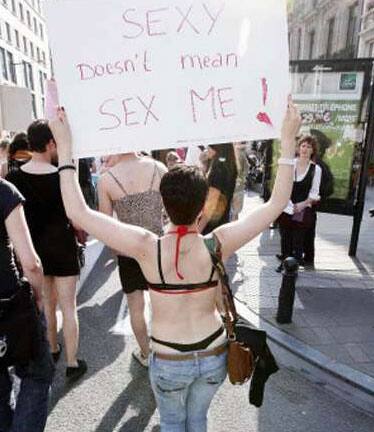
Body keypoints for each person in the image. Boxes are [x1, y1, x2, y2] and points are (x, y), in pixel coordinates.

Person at [49, 96, 301, 431]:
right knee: (198, 420)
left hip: (169, 358)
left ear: (164, 206)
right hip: (213, 354)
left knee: (171, 423)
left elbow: (77, 212)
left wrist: (65, 149)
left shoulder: (144, 247)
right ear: (203, 209)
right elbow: (276, 204)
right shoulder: (217, 243)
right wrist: (287, 145)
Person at [6, 120, 86, 381]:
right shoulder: (61, 175)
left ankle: (52, 349)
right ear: (51, 143)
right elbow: (76, 217)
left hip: (34, 248)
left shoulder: (14, 177)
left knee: (47, 305)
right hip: (62, 245)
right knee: (69, 307)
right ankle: (73, 363)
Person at [98, 153, 167, 366]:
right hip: (157, 246)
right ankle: (165, 350)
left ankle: (146, 354)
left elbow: (105, 224)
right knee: (162, 304)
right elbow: (170, 210)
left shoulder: (106, 179)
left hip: (128, 250)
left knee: (135, 306)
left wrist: (115, 250)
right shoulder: (159, 168)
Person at [0, 178, 54, 432]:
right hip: (9, 305)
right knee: (38, 372)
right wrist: (39, 297)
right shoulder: (3, 191)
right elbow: (31, 263)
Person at [276, 135, 322, 272]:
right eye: (303, 146)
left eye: (309, 147)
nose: (305, 149)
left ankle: (293, 267)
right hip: (286, 205)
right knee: (285, 236)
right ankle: (284, 263)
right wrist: (289, 204)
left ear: (313, 150)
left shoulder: (316, 169)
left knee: (298, 239)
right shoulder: (291, 164)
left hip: (303, 208)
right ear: (298, 148)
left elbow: (315, 192)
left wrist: (302, 204)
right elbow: (283, 185)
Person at [199, 143, 238, 234]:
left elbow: (211, 204)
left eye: (210, 146)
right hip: (222, 220)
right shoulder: (229, 166)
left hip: (210, 226)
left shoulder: (218, 170)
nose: (207, 148)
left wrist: (198, 230)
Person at [231, 142, 250, 221]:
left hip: (232, 185)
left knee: (232, 211)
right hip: (238, 186)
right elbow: (247, 167)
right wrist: (242, 178)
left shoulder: (232, 152)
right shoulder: (241, 153)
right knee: (235, 211)